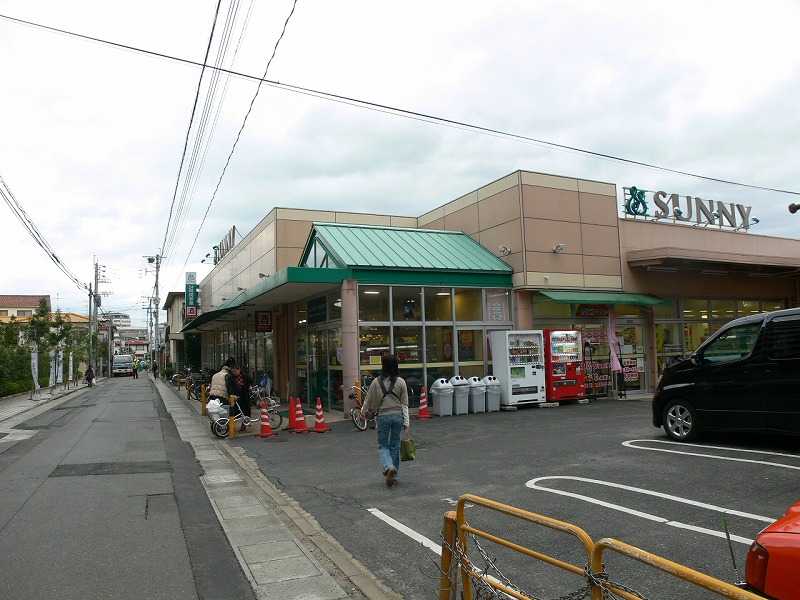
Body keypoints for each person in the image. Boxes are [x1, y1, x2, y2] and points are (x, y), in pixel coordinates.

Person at [362, 354, 409, 487]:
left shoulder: (376, 382)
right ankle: (395, 476)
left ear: (383, 366)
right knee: (395, 446)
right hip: (398, 416)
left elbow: (368, 400)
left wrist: (363, 412)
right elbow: (404, 404)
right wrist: (406, 422)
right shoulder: (401, 382)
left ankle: (388, 467)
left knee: (383, 445)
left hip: (383, 416)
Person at [232, 365, 253, 432]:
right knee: (235, 412)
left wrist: (249, 386)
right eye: (233, 371)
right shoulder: (231, 378)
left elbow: (250, 381)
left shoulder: (245, 376)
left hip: (244, 396)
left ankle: (244, 425)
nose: (234, 373)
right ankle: (232, 426)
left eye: (235, 371)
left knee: (245, 411)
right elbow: (229, 386)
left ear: (239, 370)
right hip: (236, 397)